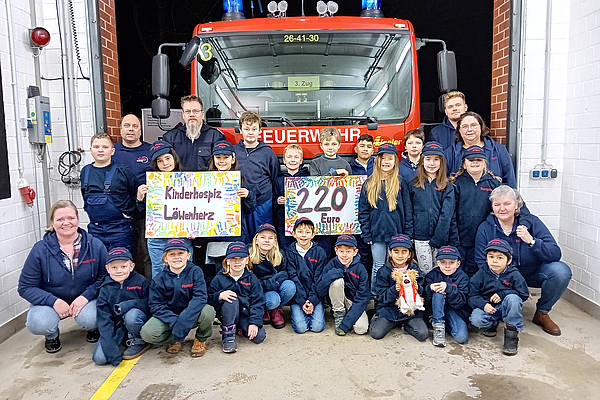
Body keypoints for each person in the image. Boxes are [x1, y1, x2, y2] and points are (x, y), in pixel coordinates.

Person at [475, 185, 572, 336]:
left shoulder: (531, 223)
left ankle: (542, 313)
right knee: (484, 315)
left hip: (532, 273)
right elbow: (481, 261)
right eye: (497, 204)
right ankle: (502, 311)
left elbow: (555, 253)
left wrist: (531, 241)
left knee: (561, 271)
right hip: (502, 278)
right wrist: (502, 287)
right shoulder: (485, 228)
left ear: (516, 205)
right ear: (492, 207)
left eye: (507, 203)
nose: (502, 208)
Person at [18, 200, 108, 353]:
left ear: (78, 219)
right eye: (60, 219)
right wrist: (53, 301)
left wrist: (86, 296)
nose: (66, 223)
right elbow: (25, 287)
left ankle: (92, 328)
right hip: (52, 301)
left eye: (71, 218)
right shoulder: (40, 250)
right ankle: (51, 335)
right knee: (38, 322)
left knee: (92, 317)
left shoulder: (95, 245)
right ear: (52, 223)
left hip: (85, 299)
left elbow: (106, 277)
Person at [140, 239, 216, 358]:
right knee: (148, 333)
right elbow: (156, 305)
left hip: (191, 313)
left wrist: (184, 320)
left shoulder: (196, 272)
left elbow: (200, 297)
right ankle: (175, 338)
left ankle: (200, 339)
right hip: (170, 316)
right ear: (165, 258)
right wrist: (174, 322)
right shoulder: (159, 279)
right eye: (172, 254)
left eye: (180, 253)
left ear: (188, 255)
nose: (176, 257)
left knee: (208, 312)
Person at [358, 142, 413, 296]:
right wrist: (366, 233)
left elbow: (408, 210)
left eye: (390, 158)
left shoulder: (401, 182)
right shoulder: (369, 184)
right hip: (377, 235)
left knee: (399, 266)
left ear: (395, 161)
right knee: (378, 265)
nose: (387, 162)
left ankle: (401, 295)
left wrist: (407, 233)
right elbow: (363, 211)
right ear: (378, 161)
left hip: (398, 234)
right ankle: (377, 295)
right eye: (384, 158)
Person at [136, 140, 193, 278]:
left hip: (182, 234)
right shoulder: (151, 183)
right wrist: (139, 198)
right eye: (160, 161)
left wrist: (196, 227)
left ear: (174, 158)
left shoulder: (190, 180)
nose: (165, 163)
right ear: (156, 164)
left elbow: (197, 208)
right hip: (158, 236)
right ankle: (160, 299)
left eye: (167, 158)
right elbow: (142, 211)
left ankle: (184, 298)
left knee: (185, 270)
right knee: (159, 270)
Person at [202, 139, 256, 283]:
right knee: (217, 271)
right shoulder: (203, 180)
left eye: (225, 157)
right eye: (218, 157)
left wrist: (248, 196)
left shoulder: (241, 180)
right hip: (213, 236)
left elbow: (250, 208)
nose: (221, 161)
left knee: (236, 270)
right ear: (213, 159)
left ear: (233, 159)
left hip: (236, 235)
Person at [80, 133, 138, 255]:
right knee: (98, 267)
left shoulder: (122, 171)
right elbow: (84, 195)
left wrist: (127, 213)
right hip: (95, 230)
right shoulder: (85, 171)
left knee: (122, 267)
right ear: (91, 150)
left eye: (105, 147)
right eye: (96, 147)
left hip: (121, 231)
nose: (100, 150)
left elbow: (134, 195)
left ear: (112, 151)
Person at [469, 239, 529, 356]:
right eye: (491, 257)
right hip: (489, 307)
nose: (495, 261)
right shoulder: (481, 274)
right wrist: (484, 305)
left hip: (505, 306)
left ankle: (511, 336)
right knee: (476, 319)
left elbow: (524, 294)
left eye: (500, 257)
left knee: (513, 299)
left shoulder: (514, 274)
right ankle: (492, 324)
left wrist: (503, 294)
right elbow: (472, 296)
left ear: (509, 260)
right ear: (486, 259)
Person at [93, 247, 150, 366]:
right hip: (117, 326)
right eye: (114, 267)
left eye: (123, 266)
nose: (119, 271)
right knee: (100, 359)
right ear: (107, 269)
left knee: (132, 315)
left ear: (132, 266)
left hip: (136, 321)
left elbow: (150, 304)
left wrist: (128, 305)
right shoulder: (105, 288)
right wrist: (112, 352)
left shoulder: (141, 282)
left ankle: (139, 340)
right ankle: (122, 340)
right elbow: (104, 319)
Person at [408, 141, 458, 275]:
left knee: (439, 270)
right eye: (428, 159)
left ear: (442, 162)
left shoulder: (447, 186)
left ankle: (438, 295)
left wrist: (439, 238)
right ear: (422, 161)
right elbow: (409, 211)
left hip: (441, 238)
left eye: (436, 159)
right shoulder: (413, 184)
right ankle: (426, 295)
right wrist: (411, 234)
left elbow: (447, 214)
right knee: (425, 270)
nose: (432, 163)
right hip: (420, 237)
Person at [452, 146, 502, 276]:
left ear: (484, 162)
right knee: (460, 272)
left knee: (478, 272)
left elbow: (507, 205)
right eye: (470, 160)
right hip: (460, 238)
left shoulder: (493, 184)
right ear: (464, 163)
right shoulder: (456, 183)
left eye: (479, 160)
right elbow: (451, 212)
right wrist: (454, 235)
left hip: (483, 239)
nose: (475, 162)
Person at [113, 113, 153, 276]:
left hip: (146, 212)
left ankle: (149, 292)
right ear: (121, 129)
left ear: (140, 130)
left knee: (147, 254)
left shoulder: (150, 151)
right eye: (127, 126)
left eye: (135, 126)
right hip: (120, 213)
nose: (131, 129)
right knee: (122, 255)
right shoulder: (112, 151)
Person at [208, 242, 266, 353]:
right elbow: (208, 297)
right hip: (227, 314)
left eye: (241, 258)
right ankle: (228, 335)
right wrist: (219, 296)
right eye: (233, 258)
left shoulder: (252, 278)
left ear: (247, 260)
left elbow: (258, 302)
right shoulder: (219, 278)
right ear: (227, 261)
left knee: (259, 336)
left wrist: (254, 322)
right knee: (231, 298)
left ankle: (240, 328)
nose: (237, 262)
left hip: (245, 314)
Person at [369, 234, 428, 341]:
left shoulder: (414, 270)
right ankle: (380, 319)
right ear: (390, 253)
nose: (400, 255)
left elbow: (422, 292)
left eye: (404, 251)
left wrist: (417, 287)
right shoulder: (383, 271)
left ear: (410, 254)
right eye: (396, 251)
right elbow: (380, 297)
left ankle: (406, 327)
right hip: (389, 310)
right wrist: (394, 289)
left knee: (422, 334)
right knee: (376, 333)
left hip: (410, 311)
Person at [233, 111, 279, 237]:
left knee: (263, 236)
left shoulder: (267, 152)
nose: (250, 132)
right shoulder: (233, 151)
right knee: (244, 237)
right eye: (247, 129)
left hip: (262, 202)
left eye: (254, 129)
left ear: (260, 130)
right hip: (240, 202)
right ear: (240, 130)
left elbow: (274, 176)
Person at [445, 111, 516, 188]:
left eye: (473, 125)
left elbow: (510, 181)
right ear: (459, 130)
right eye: (465, 126)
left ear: (481, 127)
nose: (469, 129)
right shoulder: (450, 152)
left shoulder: (498, 149)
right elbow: (444, 181)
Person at [317, 235, 369, 336]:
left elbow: (363, 297)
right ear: (336, 251)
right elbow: (320, 290)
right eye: (341, 251)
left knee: (361, 329)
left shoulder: (361, 269)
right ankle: (339, 314)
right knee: (337, 281)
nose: (344, 255)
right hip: (336, 300)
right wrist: (332, 275)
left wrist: (345, 324)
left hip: (353, 301)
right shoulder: (331, 264)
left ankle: (347, 316)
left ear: (355, 252)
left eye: (348, 251)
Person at [248, 224, 296, 329]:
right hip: (261, 290)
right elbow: (251, 280)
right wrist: (269, 283)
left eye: (270, 238)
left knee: (290, 286)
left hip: (275, 285)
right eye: (263, 237)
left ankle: (276, 310)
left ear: (275, 241)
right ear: (256, 240)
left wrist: (274, 281)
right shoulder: (250, 255)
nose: (267, 241)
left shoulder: (279, 254)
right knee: (273, 299)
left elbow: (284, 272)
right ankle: (265, 308)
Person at [285, 217, 327, 334]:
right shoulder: (290, 252)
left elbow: (319, 278)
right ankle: (301, 311)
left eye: (308, 232)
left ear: (313, 234)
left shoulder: (319, 252)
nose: (304, 235)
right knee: (300, 328)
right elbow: (292, 276)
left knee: (317, 327)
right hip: (298, 297)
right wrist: (302, 301)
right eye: (300, 232)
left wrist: (312, 301)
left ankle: (314, 310)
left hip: (315, 295)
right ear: (293, 233)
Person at [162, 95, 225, 171]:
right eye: (188, 111)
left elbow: (222, 165)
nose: (192, 114)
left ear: (202, 114)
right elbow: (163, 166)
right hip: (178, 182)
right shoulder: (170, 138)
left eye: (195, 111)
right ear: (183, 115)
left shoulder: (216, 137)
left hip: (206, 182)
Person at [424, 246, 469, 347]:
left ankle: (446, 324)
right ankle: (438, 325)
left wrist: (448, 288)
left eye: (452, 262)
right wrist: (430, 288)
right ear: (438, 263)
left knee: (461, 338)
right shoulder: (432, 275)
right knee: (439, 292)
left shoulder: (463, 277)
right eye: (443, 262)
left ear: (458, 263)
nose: (447, 266)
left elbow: (461, 302)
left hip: (454, 310)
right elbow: (423, 298)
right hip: (435, 309)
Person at [275, 144, 309, 249]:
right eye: (289, 157)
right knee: (286, 250)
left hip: (304, 224)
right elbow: (273, 201)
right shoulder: (279, 180)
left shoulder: (308, 179)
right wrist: (278, 201)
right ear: (284, 160)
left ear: (301, 160)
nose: (292, 160)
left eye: (296, 157)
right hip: (284, 223)